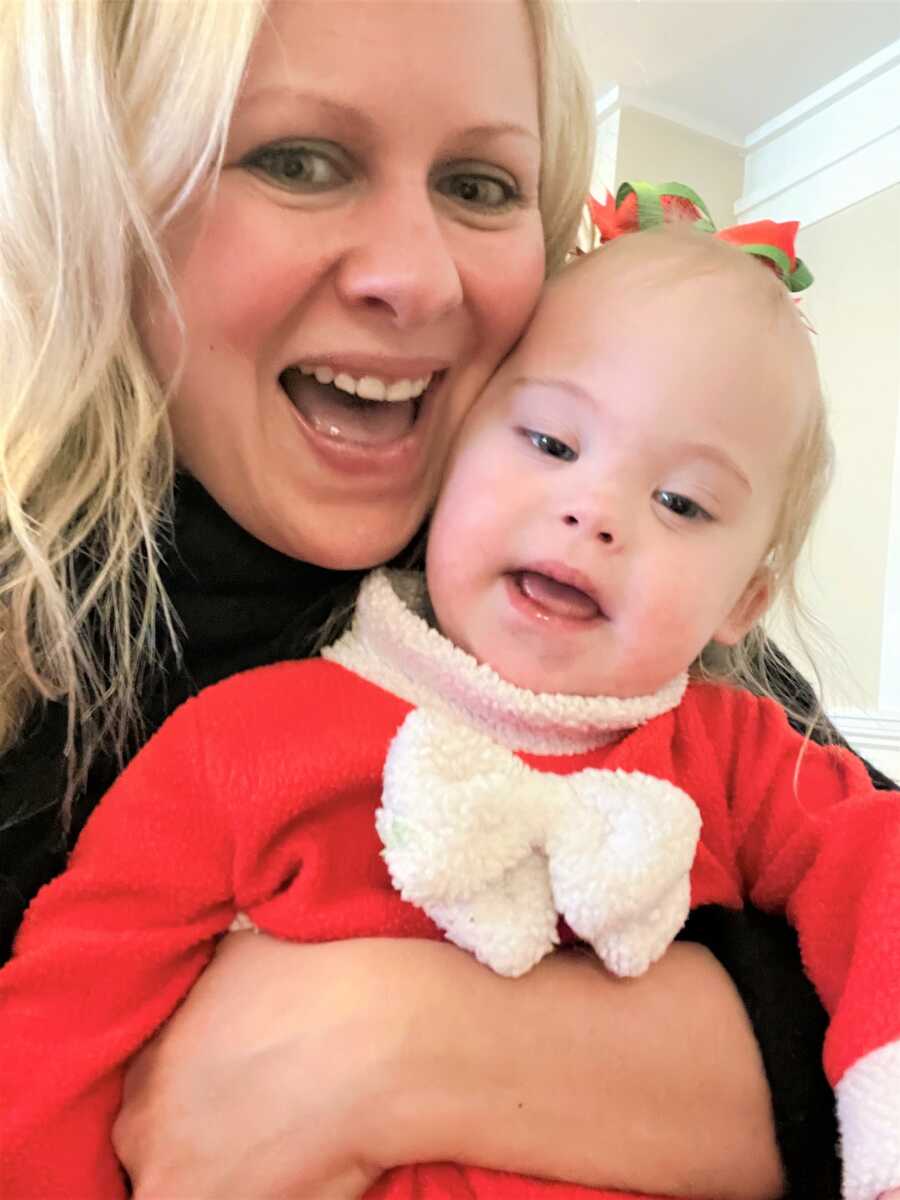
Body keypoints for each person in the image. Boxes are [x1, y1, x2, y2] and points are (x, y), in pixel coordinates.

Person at [0, 1, 863, 1196]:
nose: (416, 278)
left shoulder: (661, 653)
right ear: (103, 193)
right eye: (298, 161)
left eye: (479, 183)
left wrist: (403, 1046)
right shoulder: (80, 695)